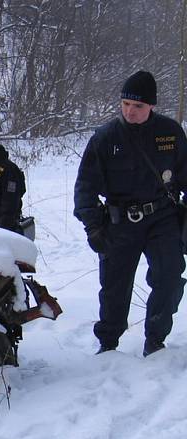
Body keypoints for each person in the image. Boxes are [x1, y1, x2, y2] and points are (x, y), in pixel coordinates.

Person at [74, 70, 187, 356]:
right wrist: (93, 226)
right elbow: (85, 187)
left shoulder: (170, 133)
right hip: (120, 222)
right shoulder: (105, 137)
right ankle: (108, 343)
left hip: (162, 218)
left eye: (137, 106)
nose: (130, 111)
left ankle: (156, 339)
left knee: (170, 276)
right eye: (125, 104)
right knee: (114, 286)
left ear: (152, 106)